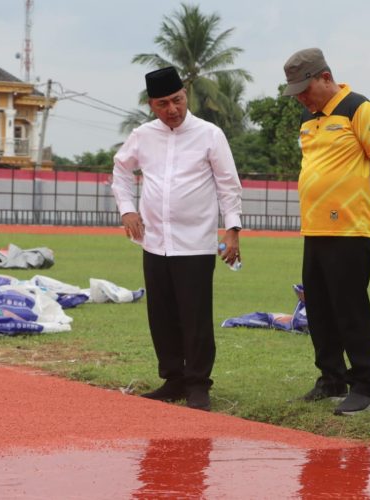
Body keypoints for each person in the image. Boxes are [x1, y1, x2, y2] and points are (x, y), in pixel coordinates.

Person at [111, 67, 243, 412]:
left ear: (186, 96)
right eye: (163, 103)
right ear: (151, 105)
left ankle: (198, 384)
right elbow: (121, 170)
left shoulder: (209, 134)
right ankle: (172, 380)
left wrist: (232, 230)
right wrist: (126, 209)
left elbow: (229, 184)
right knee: (162, 315)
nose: (172, 109)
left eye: (178, 100)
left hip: (195, 242)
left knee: (195, 316)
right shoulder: (142, 136)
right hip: (155, 240)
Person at [282, 48, 370, 415]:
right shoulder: (307, 118)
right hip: (313, 228)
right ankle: (331, 377)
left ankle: (363, 385)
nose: (300, 96)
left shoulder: (358, 108)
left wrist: (363, 196)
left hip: (348, 229)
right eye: (295, 90)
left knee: (350, 308)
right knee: (319, 308)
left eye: (305, 87)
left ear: (326, 77)